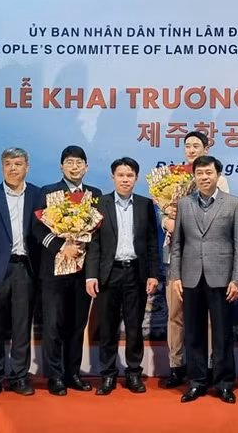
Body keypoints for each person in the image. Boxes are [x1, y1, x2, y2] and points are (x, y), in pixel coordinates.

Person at [169, 155, 238, 404]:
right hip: (191, 277)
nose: (204, 177)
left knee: (223, 333)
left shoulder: (233, 203)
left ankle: (224, 383)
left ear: (217, 175)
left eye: (208, 172)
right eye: (199, 173)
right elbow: (178, 244)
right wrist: (175, 276)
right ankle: (197, 381)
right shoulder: (184, 203)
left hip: (222, 278)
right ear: (194, 176)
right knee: (193, 333)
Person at [85, 157, 159, 396]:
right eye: (121, 175)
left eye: (130, 175)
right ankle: (107, 375)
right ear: (112, 177)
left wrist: (153, 274)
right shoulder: (100, 204)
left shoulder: (146, 205)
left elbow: (151, 243)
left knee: (135, 326)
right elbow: (93, 244)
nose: (125, 179)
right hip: (109, 274)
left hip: (135, 272)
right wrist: (91, 276)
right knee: (107, 327)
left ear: (136, 178)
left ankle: (134, 373)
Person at [161, 130, 229, 388]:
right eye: (187, 146)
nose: (191, 150)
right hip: (176, 258)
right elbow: (163, 211)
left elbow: (222, 215)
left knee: (210, 317)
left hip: (208, 261)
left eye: (196, 145)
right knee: (175, 314)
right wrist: (168, 220)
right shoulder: (171, 179)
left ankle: (210, 365)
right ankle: (176, 365)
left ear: (207, 148)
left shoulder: (218, 180)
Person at [0, 148, 42, 400]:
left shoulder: (38, 195)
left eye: (18, 163)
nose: (13, 168)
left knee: (22, 327)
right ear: (2, 168)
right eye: (8, 164)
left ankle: (19, 377)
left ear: (27, 167)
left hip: (26, 270)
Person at [33, 146, 102, 395]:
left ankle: (72, 373)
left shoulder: (94, 194)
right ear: (61, 166)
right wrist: (63, 247)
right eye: (69, 162)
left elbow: (97, 234)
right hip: (53, 271)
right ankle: (55, 376)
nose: (74, 167)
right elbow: (37, 229)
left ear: (86, 167)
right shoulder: (48, 192)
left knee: (76, 325)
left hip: (82, 273)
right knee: (53, 324)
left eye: (79, 162)